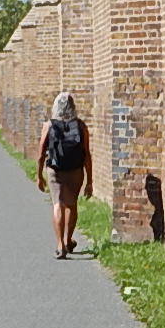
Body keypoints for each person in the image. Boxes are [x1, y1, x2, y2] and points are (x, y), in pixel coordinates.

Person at [36, 92, 93, 259]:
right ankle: (68, 240)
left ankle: (60, 245)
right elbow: (87, 154)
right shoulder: (81, 126)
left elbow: (41, 153)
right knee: (72, 205)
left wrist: (39, 176)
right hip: (75, 170)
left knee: (58, 204)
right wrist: (90, 181)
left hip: (55, 169)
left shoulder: (49, 125)